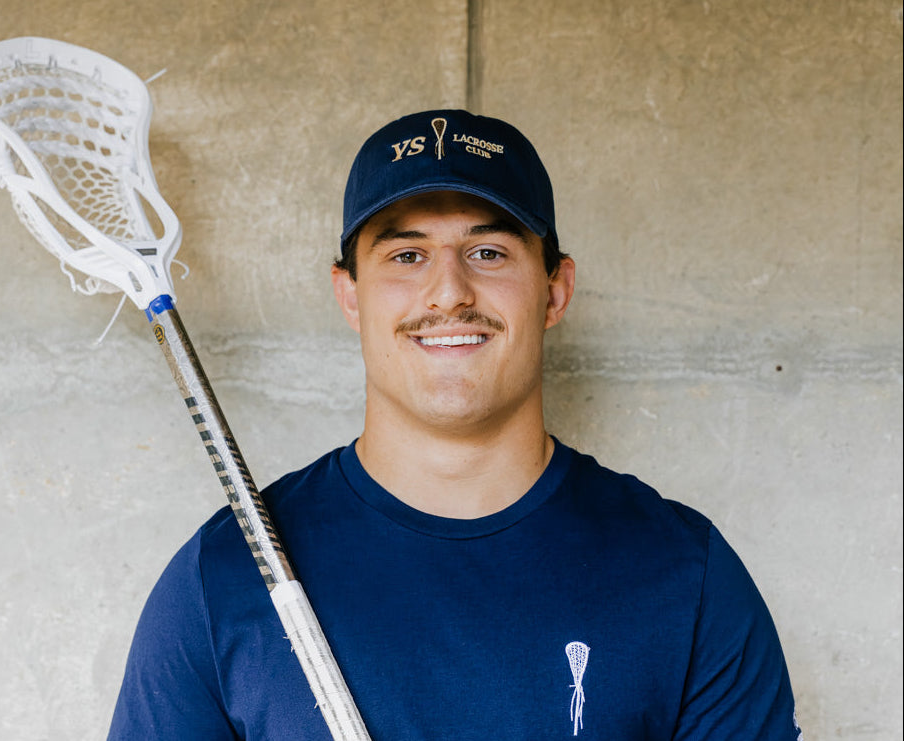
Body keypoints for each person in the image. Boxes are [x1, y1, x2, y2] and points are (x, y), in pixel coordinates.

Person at [108, 109, 801, 740]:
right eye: (406, 256)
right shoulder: (229, 575)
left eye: (489, 253)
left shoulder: (684, 575)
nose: (448, 291)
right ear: (349, 294)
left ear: (554, 289)